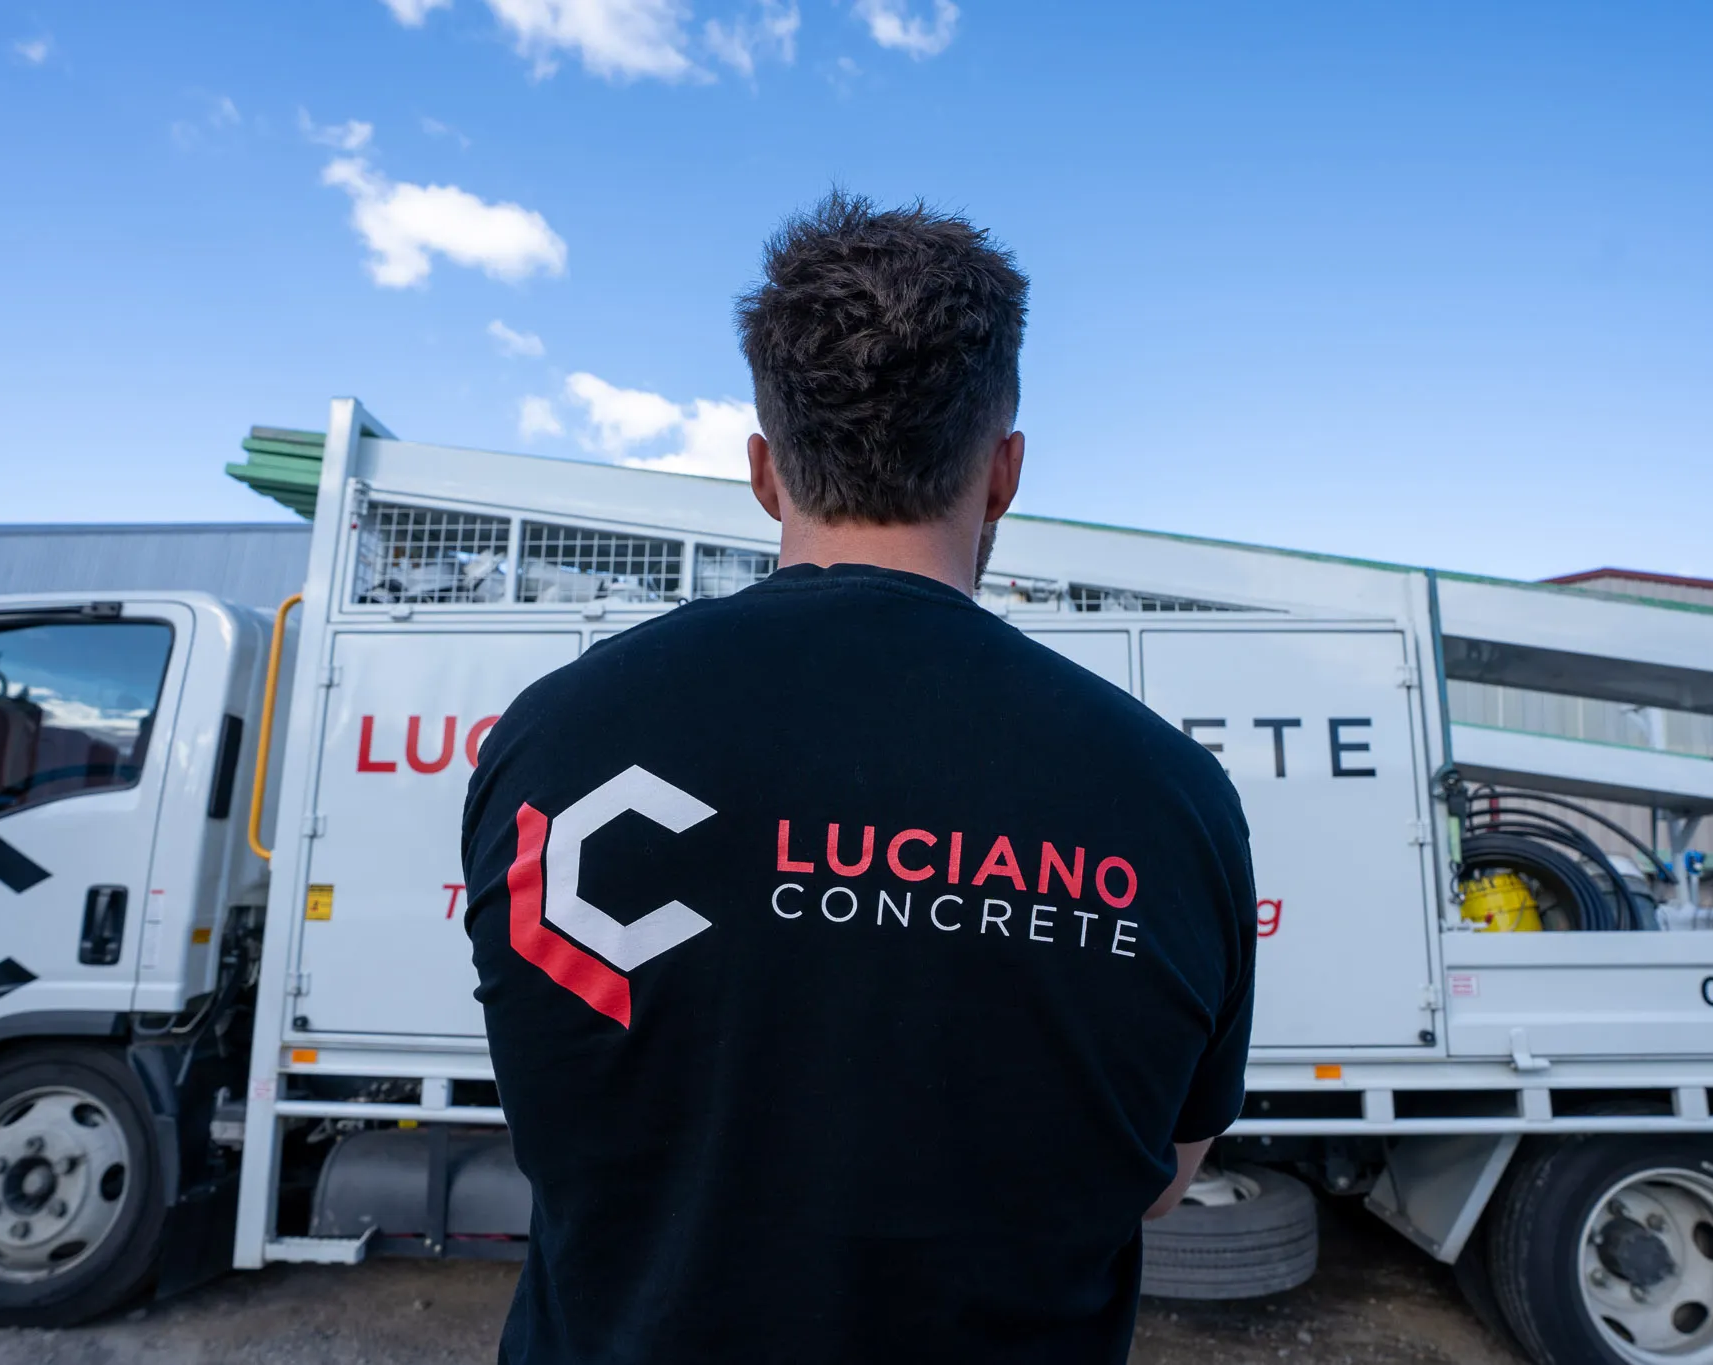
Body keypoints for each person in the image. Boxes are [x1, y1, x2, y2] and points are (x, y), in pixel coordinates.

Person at [462, 192, 1256, 1365]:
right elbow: (1158, 1179)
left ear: (764, 472)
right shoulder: (1174, 800)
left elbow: (566, 1112)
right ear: (1002, 474)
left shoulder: (553, 744)